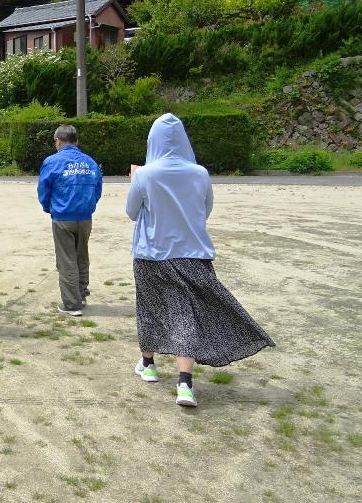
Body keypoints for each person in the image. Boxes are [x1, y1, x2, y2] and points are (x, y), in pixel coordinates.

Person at [126, 113, 274, 408]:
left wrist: (136, 180)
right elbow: (204, 211)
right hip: (193, 253)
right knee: (186, 313)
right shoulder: (200, 173)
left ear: (152, 140)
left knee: (150, 309)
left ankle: (149, 365)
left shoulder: (146, 174)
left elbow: (132, 212)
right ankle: (184, 383)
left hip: (152, 255)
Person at [37, 124, 103, 317]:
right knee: (81, 257)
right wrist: (89, 205)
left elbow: (44, 189)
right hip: (85, 217)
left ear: (58, 141)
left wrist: (48, 207)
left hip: (62, 217)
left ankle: (72, 304)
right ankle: (81, 293)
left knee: (66, 261)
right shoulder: (90, 162)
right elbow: (97, 189)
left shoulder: (52, 161)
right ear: (77, 141)